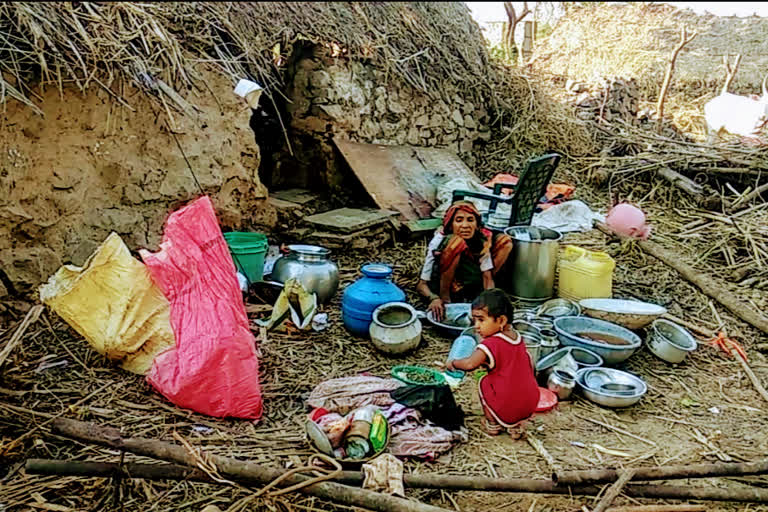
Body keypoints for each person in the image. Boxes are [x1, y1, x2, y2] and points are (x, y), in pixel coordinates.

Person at [446, 289, 539, 437]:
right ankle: (514, 427)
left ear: (501, 321)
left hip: (508, 405)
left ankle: (493, 424)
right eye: (474, 320)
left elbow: (470, 364)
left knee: (484, 382)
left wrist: (454, 363)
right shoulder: (517, 337)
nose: (476, 326)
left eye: (481, 320)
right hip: (530, 404)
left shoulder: (490, 344)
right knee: (513, 386)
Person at [416, 201, 512, 321]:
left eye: (470, 220)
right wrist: (434, 298)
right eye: (459, 220)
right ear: (451, 225)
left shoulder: (480, 241)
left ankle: (475, 296)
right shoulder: (439, 240)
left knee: (505, 241)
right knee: (457, 243)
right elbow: (421, 285)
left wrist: (490, 307)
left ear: (477, 225)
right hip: (444, 286)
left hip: (469, 286)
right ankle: (446, 302)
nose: (465, 225)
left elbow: (487, 277)